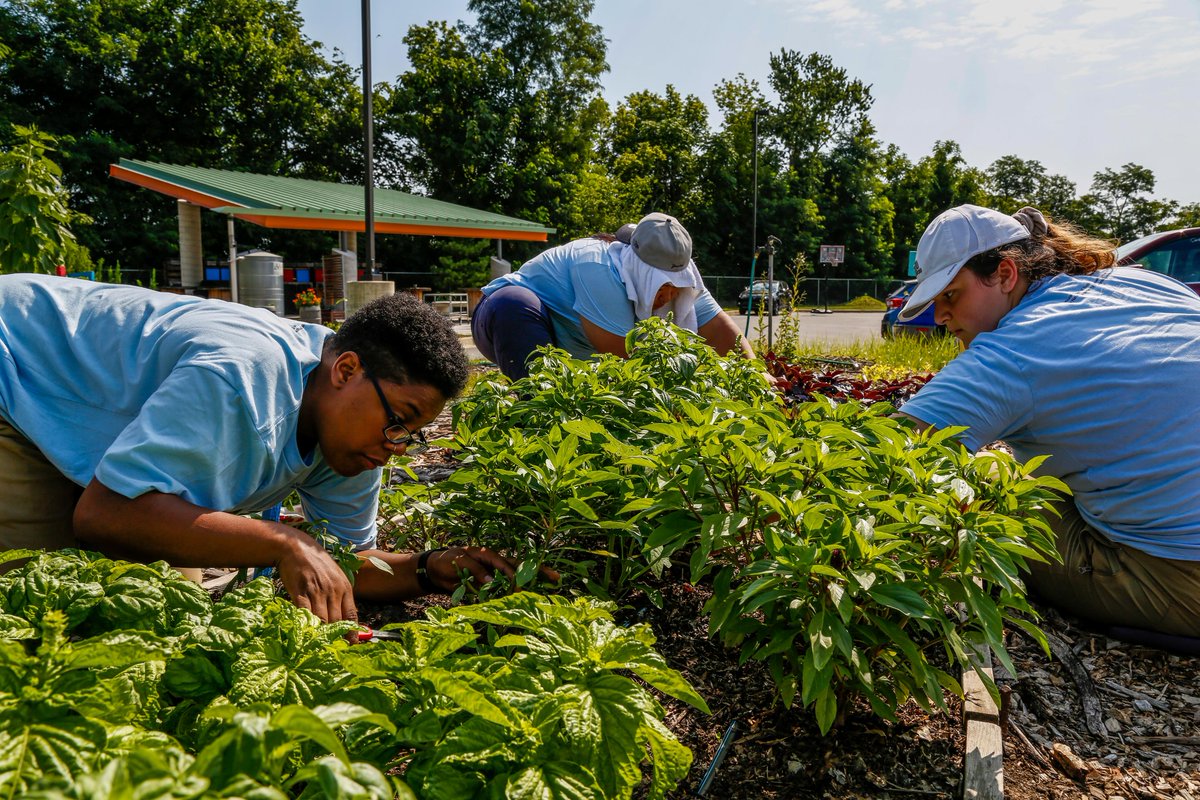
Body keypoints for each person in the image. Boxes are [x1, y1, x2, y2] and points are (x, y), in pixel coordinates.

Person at [0, 274, 523, 622]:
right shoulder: (241, 384)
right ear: (346, 371)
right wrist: (280, 541)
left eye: (412, 434)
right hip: (15, 368)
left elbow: (344, 558)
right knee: (41, 605)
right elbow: (105, 514)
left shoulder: (356, 435)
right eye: (399, 423)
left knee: (169, 608)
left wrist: (430, 568)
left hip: (85, 409)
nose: (398, 448)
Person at [896, 203, 1200, 638]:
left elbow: (889, 450)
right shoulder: (1144, 283)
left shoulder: (1012, 352)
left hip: (1180, 576)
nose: (940, 317)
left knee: (994, 491)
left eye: (950, 295)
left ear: (1005, 274)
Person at [471, 212, 754, 380]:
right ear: (639, 271)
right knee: (517, 304)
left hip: (570, 352)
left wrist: (755, 374)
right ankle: (533, 420)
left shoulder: (683, 287)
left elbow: (722, 333)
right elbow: (623, 358)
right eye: (661, 284)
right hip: (500, 322)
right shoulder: (598, 266)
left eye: (675, 285)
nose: (668, 295)